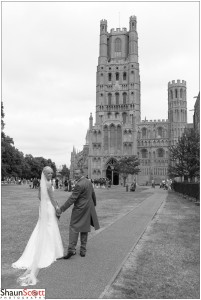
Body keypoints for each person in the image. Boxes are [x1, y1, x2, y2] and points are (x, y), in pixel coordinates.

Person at [12, 166, 64, 286]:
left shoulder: (42, 183)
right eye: (49, 173)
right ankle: (51, 251)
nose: (51, 175)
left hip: (42, 208)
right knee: (50, 227)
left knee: (42, 227)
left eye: (51, 173)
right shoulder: (49, 184)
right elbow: (52, 198)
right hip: (49, 208)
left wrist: (46, 202)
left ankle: (48, 248)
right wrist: (56, 207)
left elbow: (39, 197)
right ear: (44, 174)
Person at [56, 169, 100, 259]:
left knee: (73, 227)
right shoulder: (88, 182)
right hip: (88, 208)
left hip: (79, 209)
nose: (75, 175)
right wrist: (93, 204)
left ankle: (71, 249)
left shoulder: (79, 184)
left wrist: (62, 209)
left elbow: (72, 198)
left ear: (82, 174)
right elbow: (93, 194)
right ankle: (83, 250)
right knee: (84, 228)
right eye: (75, 173)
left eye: (77, 174)